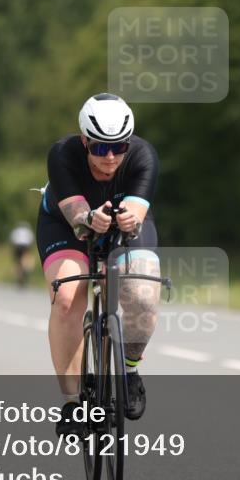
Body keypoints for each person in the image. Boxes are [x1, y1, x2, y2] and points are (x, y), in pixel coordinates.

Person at [37, 93, 162, 436]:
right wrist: (90, 218)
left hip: (123, 224)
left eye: (118, 147)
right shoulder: (62, 154)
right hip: (67, 224)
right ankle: (73, 402)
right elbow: (76, 215)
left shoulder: (143, 155)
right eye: (99, 148)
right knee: (67, 299)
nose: (109, 157)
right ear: (84, 141)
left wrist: (127, 222)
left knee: (142, 293)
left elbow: (137, 214)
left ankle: (130, 370)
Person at [9, 222, 35, 287]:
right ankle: (25, 269)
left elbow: (12, 240)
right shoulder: (28, 231)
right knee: (25, 260)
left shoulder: (16, 231)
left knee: (18, 263)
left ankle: (19, 275)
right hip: (25, 246)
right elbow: (31, 240)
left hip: (17, 246)